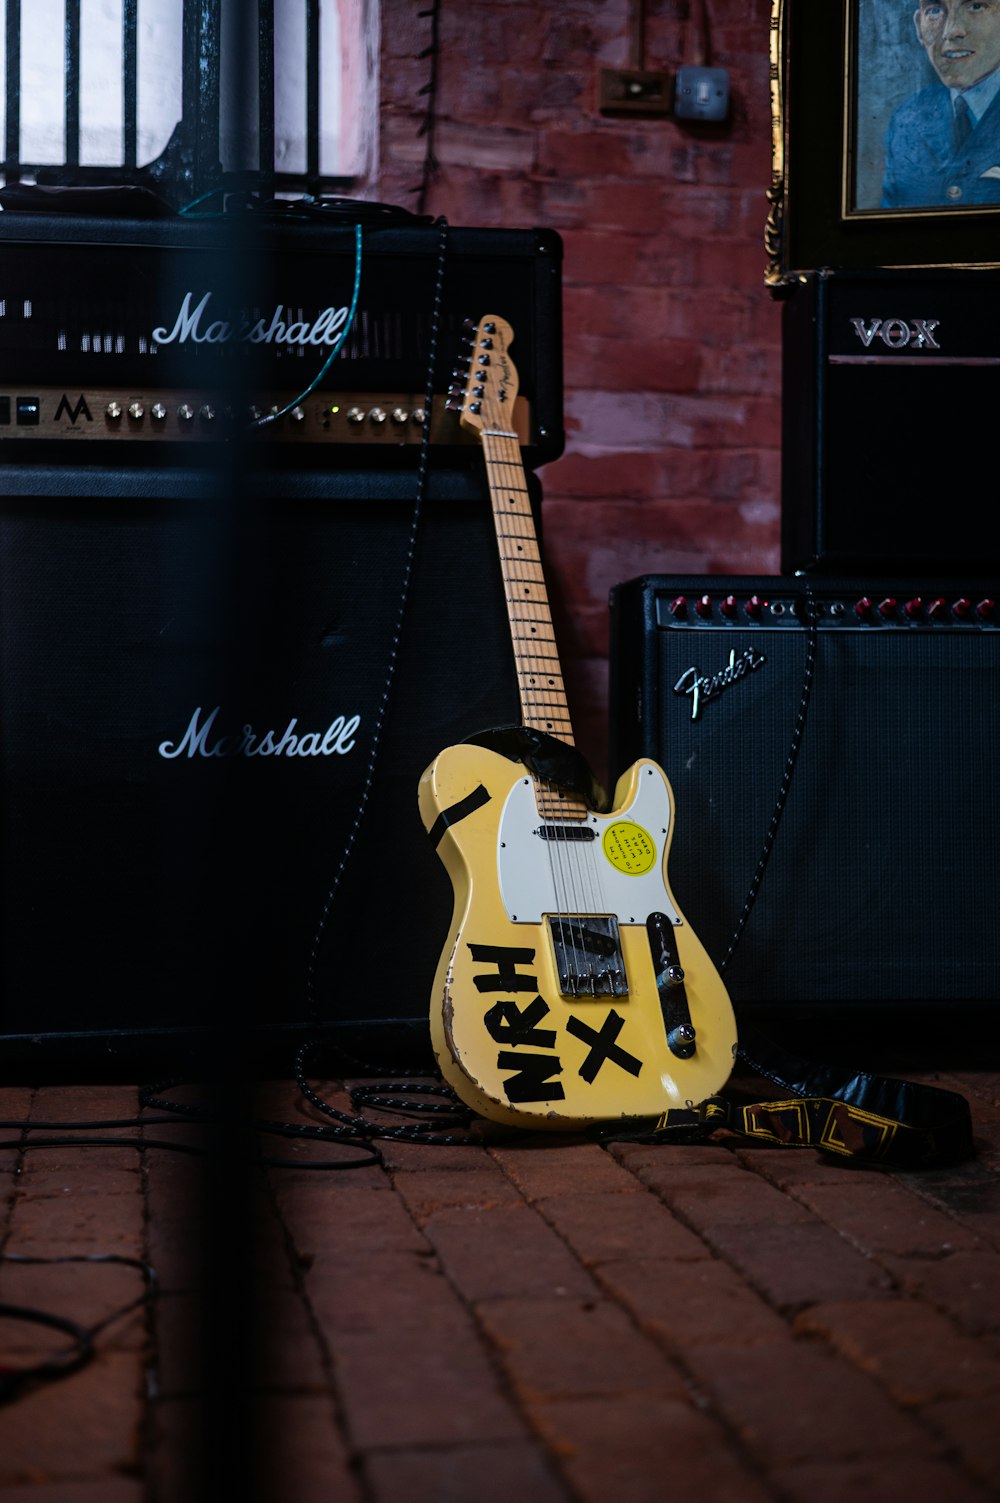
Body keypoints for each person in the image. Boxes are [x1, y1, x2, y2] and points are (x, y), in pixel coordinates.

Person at [882, 0, 1000, 207]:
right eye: (935, 11)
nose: (951, 30)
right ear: (919, 26)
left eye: (976, 6)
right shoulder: (907, 120)